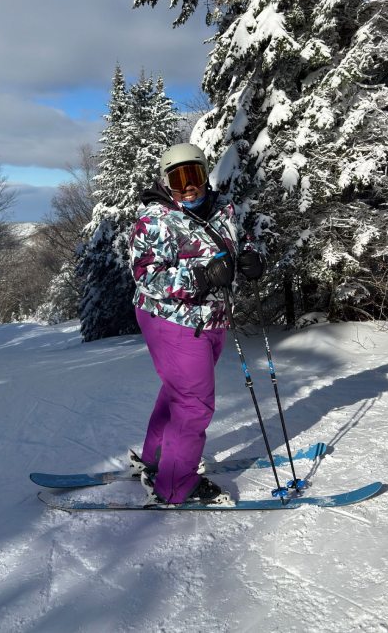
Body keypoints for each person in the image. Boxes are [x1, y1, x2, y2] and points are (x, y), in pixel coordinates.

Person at [128, 143, 265, 506]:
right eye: (178, 179)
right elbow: (146, 276)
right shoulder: (154, 221)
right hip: (171, 319)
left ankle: (156, 458)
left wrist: (250, 255)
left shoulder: (223, 208)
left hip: (212, 319)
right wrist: (201, 277)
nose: (188, 187)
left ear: (205, 174)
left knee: (179, 393)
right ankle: (175, 485)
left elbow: (241, 238)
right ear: (166, 182)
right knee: (193, 403)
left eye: (194, 176)